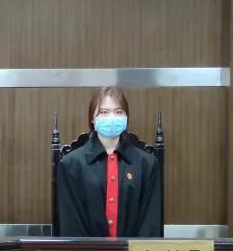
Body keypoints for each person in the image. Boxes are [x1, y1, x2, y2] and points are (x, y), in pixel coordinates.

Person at [56, 86, 161, 238]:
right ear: (93, 118)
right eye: (104, 112)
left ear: (126, 117)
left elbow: (150, 222)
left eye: (118, 112)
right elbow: (71, 223)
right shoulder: (71, 165)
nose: (112, 117)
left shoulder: (147, 164)